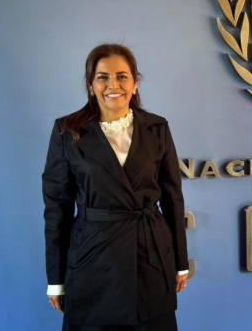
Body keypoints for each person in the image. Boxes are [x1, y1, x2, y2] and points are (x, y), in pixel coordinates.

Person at [42, 43, 189, 331]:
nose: (113, 85)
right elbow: (56, 209)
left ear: (135, 83)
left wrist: (180, 262)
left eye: (122, 76)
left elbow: (173, 198)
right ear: (91, 84)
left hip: (150, 255)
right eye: (103, 77)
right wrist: (55, 279)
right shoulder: (67, 131)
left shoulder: (157, 127)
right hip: (92, 258)